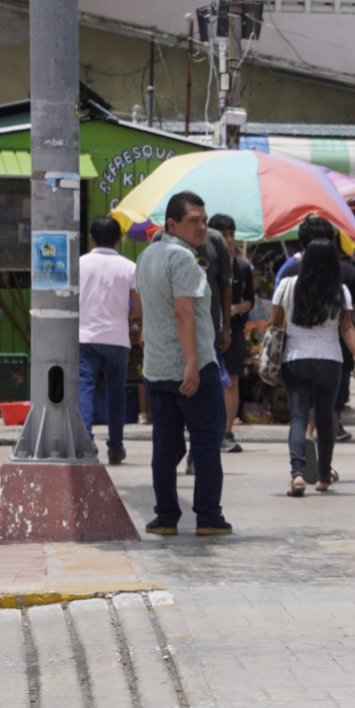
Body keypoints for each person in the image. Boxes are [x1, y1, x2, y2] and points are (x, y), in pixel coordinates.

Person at [134, 192, 231, 536]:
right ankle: (207, 516)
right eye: (194, 221)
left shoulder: (145, 257)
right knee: (206, 443)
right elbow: (182, 311)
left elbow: (143, 306)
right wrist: (192, 363)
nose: (202, 227)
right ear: (172, 224)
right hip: (191, 367)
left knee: (166, 445)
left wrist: (148, 338)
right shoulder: (184, 260)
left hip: (157, 369)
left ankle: (165, 516)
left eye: (204, 220)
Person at [273, 238, 355, 497]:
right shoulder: (340, 290)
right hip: (330, 360)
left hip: (294, 358)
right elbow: (347, 328)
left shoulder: (286, 286)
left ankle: (297, 474)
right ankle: (324, 477)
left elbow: (275, 323)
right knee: (325, 419)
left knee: (298, 418)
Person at [279, 216, 355, 445]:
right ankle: (323, 465)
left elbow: (279, 317)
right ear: (333, 241)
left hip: (295, 354)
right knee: (329, 411)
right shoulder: (348, 274)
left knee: (301, 413)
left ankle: (304, 452)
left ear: (301, 244)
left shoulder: (289, 273)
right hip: (336, 353)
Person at [78, 215, 140, 466]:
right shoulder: (129, 266)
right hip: (117, 337)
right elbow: (138, 307)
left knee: (85, 386)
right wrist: (129, 320)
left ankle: (86, 440)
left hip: (86, 336)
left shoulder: (79, 264)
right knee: (117, 393)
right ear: (118, 239)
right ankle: (115, 447)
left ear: (91, 238)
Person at [208, 215, 254, 454]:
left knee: (231, 382)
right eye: (223, 234)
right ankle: (209, 430)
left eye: (231, 234)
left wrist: (234, 310)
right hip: (206, 333)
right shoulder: (204, 262)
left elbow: (250, 302)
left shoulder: (243, 267)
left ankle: (226, 431)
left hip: (234, 332)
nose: (228, 239)